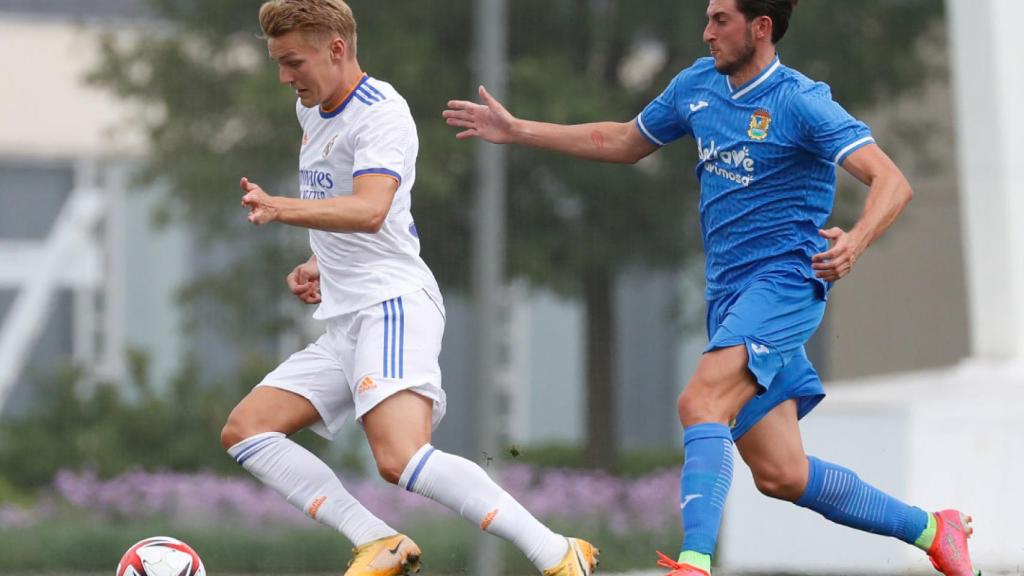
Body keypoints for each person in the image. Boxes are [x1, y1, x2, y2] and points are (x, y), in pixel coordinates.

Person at [443, 0, 979, 575]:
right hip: (730, 298)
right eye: (707, 17)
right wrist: (518, 129)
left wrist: (856, 240)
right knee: (781, 473)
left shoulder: (800, 100)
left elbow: (891, 181)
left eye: (720, 19)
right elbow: (626, 141)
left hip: (786, 284)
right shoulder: (695, 85)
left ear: (761, 27)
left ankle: (694, 563)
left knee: (700, 401)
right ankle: (932, 530)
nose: (707, 33)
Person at [219, 1, 600, 575]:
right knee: (247, 430)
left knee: (399, 458)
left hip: (391, 307)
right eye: (278, 62)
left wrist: (281, 208)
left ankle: (556, 551)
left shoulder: (381, 112)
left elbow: (372, 209)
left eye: (293, 61)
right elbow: (374, 213)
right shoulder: (313, 113)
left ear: (337, 49)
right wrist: (320, 260)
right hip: (347, 316)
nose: (284, 76)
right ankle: (377, 541)